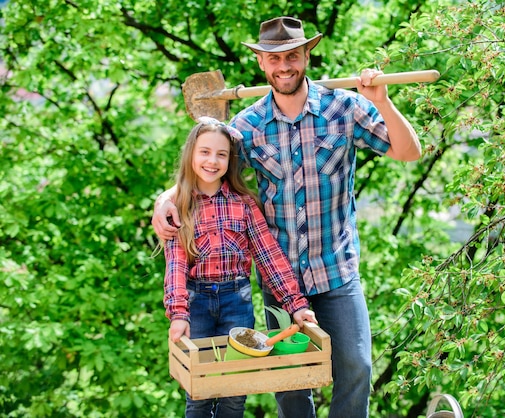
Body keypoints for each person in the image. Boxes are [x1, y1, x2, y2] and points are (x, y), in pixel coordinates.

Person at [153, 16, 422, 418]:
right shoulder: (247, 127)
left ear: (306, 55)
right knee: (291, 384)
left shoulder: (344, 109)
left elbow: (408, 151)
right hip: (281, 278)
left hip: (336, 270)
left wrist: (382, 100)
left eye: (292, 56)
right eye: (274, 58)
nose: (284, 67)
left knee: (356, 366)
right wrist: (166, 197)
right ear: (262, 62)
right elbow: (208, 170)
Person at [162, 116, 317, 418]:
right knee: (200, 392)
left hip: (237, 302)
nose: (212, 160)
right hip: (197, 304)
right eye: (204, 152)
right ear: (191, 154)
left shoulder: (244, 203)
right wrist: (178, 314)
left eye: (221, 154)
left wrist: (295, 305)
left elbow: (269, 256)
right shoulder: (178, 206)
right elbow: (176, 266)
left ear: (229, 161)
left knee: (235, 392)